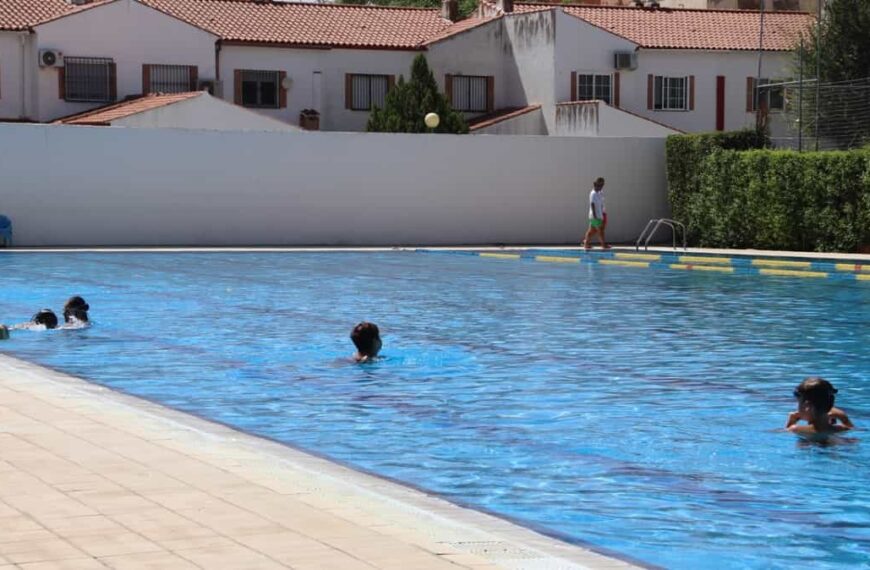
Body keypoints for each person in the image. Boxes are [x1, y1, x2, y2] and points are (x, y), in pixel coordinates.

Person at [786, 377, 853, 439]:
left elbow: (786, 432)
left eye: (799, 404)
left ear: (807, 406)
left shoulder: (795, 429)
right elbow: (851, 429)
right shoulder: (842, 429)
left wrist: (791, 421)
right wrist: (844, 418)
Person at [583, 177, 609, 250]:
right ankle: (603, 245)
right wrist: (595, 215)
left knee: (591, 231)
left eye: (602, 185)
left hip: (599, 215)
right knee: (600, 231)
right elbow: (592, 204)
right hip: (595, 215)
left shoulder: (599, 192)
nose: (602, 187)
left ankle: (586, 244)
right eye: (600, 185)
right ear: (596, 184)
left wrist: (602, 213)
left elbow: (601, 204)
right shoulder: (593, 193)